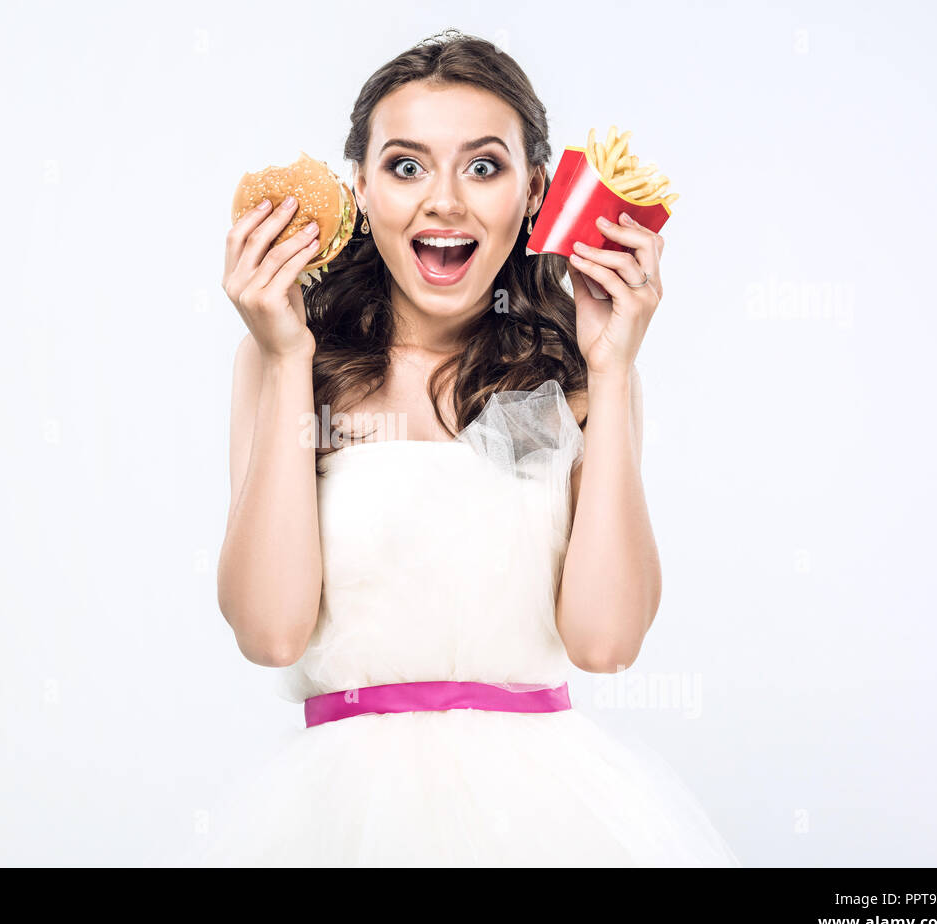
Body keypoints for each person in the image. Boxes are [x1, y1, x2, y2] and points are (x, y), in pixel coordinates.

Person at [197, 29, 741, 866]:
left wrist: (614, 362)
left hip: (547, 818)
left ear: (533, 194)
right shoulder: (291, 363)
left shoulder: (578, 380)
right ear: (359, 193)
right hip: (340, 817)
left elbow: (606, 642)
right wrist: (284, 356)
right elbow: (271, 631)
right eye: (406, 166)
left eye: (483, 166)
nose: (443, 201)